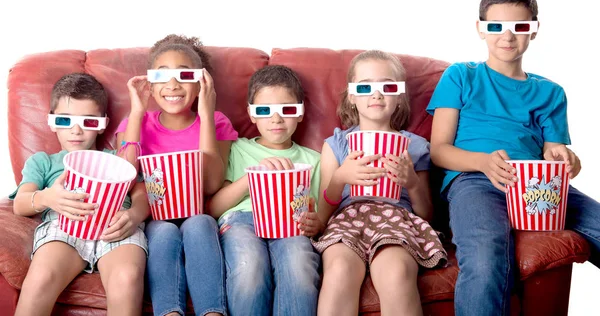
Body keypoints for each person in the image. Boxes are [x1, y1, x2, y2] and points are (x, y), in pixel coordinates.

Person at [427, 0, 600, 315]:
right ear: (481, 29)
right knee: (485, 253)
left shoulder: (551, 93)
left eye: (519, 26)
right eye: (497, 26)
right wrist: (482, 162)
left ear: (533, 30)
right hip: (474, 179)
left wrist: (565, 158)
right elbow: (439, 150)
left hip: (536, 183)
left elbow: (553, 151)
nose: (507, 36)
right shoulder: (461, 76)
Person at [313, 50, 447, 316]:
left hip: (397, 220)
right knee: (339, 269)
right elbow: (322, 215)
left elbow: (427, 214)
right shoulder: (336, 144)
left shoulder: (416, 146)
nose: (376, 94)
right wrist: (340, 177)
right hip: (346, 219)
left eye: (387, 86)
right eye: (365, 87)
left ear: (399, 96)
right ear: (352, 96)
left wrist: (411, 183)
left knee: (395, 271)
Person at [117, 34, 238, 316]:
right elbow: (122, 178)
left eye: (184, 75)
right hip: (154, 217)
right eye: (162, 76)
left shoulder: (217, 122)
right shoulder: (136, 122)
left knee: (199, 223)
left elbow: (210, 184)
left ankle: (212, 312)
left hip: (199, 215)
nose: (172, 84)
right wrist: (136, 113)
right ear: (150, 82)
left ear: (200, 83)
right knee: (163, 231)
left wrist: (206, 115)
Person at [10, 73, 148, 316]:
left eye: (89, 122)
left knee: (127, 278)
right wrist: (47, 198)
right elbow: (21, 204)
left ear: (103, 124)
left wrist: (135, 215)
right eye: (65, 121)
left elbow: (142, 192)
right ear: (52, 122)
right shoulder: (43, 162)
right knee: (42, 276)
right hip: (63, 227)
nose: (76, 130)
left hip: (115, 225)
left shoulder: (115, 158)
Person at [207, 65, 321, 316]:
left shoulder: (314, 160)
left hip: (291, 225)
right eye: (264, 111)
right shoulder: (237, 149)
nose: (276, 119)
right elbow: (213, 208)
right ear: (251, 114)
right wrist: (251, 178)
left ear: (300, 113)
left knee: (299, 265)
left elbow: (320, 215)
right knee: (249, 266)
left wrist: (316, 223)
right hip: (242, 219)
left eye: (287, 110)